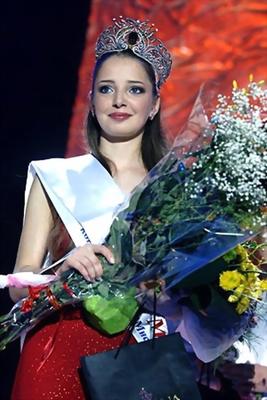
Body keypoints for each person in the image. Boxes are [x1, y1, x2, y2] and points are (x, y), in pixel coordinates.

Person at [10, 17, 172, 399]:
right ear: (92, 100)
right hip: (57, 346)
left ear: (154, 105)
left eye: (135, 89)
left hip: (141, 352)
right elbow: (20, 283)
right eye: (106, 89)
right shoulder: (57, 177)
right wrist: (62, 272)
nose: (119, 100)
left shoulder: (173, 189)